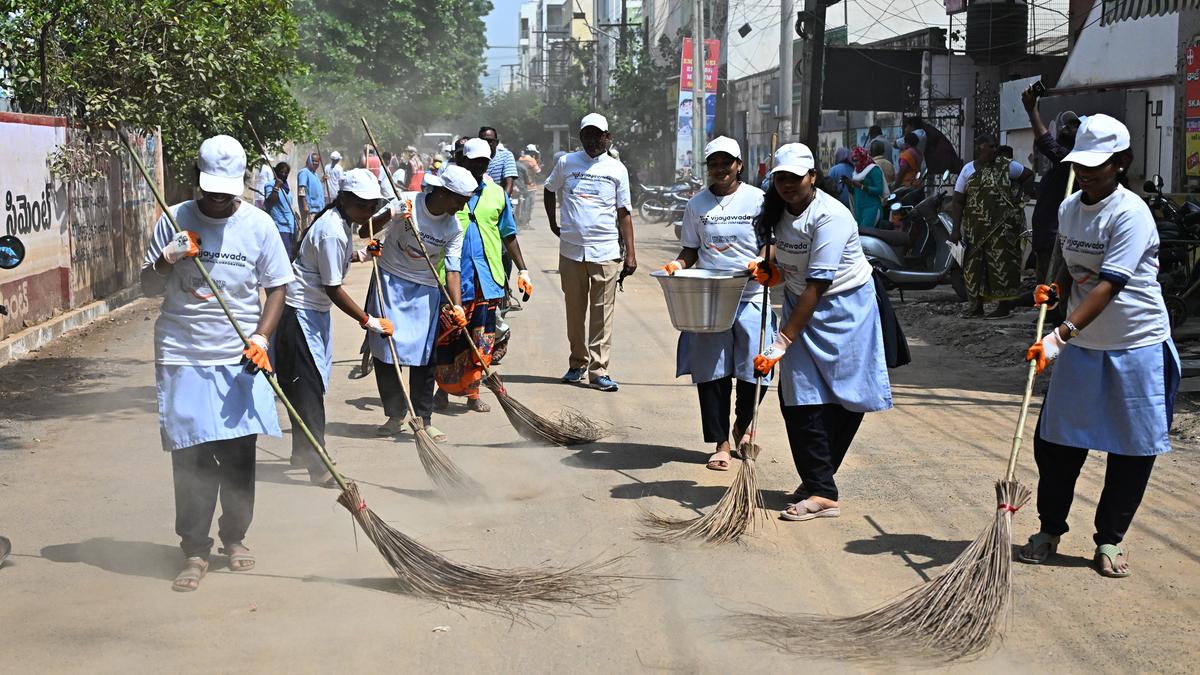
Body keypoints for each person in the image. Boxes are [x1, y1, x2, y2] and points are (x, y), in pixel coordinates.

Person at [1018, 114, 1180, 578]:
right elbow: (1071, 262)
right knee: (1055, 444)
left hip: (1135, 344)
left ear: (1122, 163)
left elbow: (1110, 284)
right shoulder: (1071, 207)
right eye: (1082, 164)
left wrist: (1058, 336)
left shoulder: (1131, 214)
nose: (1088, 172)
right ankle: (1050, 528)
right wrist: (1053, 287)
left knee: (1131, 450)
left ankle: (1110, 539)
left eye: (1099, 165)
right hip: (1083, 344)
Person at [140, 134, 294, 592]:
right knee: (191, 455)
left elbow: (278, 287)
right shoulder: (174, 220)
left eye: (226, 192)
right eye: (209, 190)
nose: (217, 200)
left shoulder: (259, 225)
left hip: (239, 354)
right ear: (197, 182)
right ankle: (193, 548)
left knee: (238, 455)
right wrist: (168, 260)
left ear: (241, 185)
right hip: (183, 352)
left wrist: (262, 337)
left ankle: (235, 537)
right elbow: (147, 287)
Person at [749, 143, 892, 522]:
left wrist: (781, 342)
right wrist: (771, 270)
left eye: (795, 178)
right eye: (780, 178)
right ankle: (820, 483)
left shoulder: (831, 216)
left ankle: (820, 484)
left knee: (846, 398)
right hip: (801, 303)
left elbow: (819, 282)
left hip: (846, 309)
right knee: (798, 397)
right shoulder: (776, 210)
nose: (787, 185)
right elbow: (784, 256)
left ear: (812, 177)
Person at [661, 137, 776, 471]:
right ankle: (721, 442)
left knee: (757, 368)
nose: (721, 169)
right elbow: (690, 249)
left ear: (739, 165)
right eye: (714, 163)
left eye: (727, 162)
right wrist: (678, 266)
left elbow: (772, 243)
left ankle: (742, 423)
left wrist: (761, 261)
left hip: (752, 294)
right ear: (707, 167)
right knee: (713, 374)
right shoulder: (697, 204)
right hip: (711, 299)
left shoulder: (759, 200)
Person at [273, 168, 395, 484]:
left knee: (304, 387)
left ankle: (303, 451)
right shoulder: (332, 230)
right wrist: (368, 321)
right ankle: (318, 463)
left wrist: (363, 254)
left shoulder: (340, 225)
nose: (368, 212)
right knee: (308, 390)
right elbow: (333, 287)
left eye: (373, 207)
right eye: (363, 206)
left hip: (312, 313)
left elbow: (332, 262)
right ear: (345, 200)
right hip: (298, 314)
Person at [367, 166, 475, 439]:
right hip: (389, 281)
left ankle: (424, 419)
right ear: (443, 192)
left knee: (423, 357)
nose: (462, 206)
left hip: (425, 289)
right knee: (386, 352)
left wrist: (457, 305)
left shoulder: (454, 227)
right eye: (460, 200)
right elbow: (365, 229)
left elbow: (452, 269)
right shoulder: (407, 202)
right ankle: (394, 415)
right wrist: (390, 214)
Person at [433, 138, 533, 412]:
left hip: (487, 278)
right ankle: (441, 391)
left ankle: (473, 392)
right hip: (452, 277)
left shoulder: (497, 193)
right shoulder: (447, 190)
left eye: (483, 163)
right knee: (448, 337)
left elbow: (508, 234)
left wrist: (522, 268)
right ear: (462, 160)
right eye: (473, 161)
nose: (478, 167)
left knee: (483, 338)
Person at [544, 113, 636, 392]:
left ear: (608, 137)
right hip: (571, 251)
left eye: (599, 135)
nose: (593, 140)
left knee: (602, 313)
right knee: (575, 311)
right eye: (588, 135)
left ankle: (599, 370)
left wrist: (630, 253)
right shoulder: (566, 163)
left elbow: (624, 213)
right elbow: (549, 189)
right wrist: (552, 223)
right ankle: (577, 363)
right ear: (580, 137)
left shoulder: (617, 169)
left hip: (606, 250)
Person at [949, 133, 1034, 318]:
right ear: (980, 147)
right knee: (974, 268)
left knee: (1002, 266)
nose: (995, 150)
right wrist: (956, 229)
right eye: (991, 146)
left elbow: (1028, 176)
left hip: (1002, 229)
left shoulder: (1007, 166)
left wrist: (1019, 198)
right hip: (975, 229)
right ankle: (976, 307)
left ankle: (1003, 307)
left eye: (996, 146)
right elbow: (957, 201)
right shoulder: (968, 170)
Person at [1023, 84, 1082, 285]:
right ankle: (1047, 312)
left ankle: (1053, 313)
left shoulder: (1073, 161)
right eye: (1069, 124)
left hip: (1057, 235)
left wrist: (1032, 111)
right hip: (1048, 234)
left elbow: (1047, 144)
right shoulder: (1062, 164)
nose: (1069, 128)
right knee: (1045, 280)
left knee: (1053, 284)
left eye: (1075, 126)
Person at [842, 147, 885, 229]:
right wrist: (848, 184)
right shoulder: (856, 172)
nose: (855, 163)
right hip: (859, 209)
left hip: (872, 208)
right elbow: (856, 192)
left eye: (857, 160)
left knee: (866, 233)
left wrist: (861, 186)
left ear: (863, 158)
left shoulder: (873, 169)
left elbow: (879, 190)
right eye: (853, 161)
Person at [263, 161, 298, 256]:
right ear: (275, 172)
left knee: (291, 255)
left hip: (290, 226)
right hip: (280, 226)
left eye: (286, 173)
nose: (283, 174)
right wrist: (276, 187)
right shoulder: (270, 185)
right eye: (281, 172)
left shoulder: (286, 188)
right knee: (283, 255)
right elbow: (270, 201)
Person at [480, 126, 518, 195]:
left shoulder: (506, 156)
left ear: (496, 142)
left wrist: (503, 202)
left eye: (490, 141)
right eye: (483, 141)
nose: (486, 144)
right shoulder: (473, 159)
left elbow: (509, 183)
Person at [295, 152, 326, 231]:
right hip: (310, 210)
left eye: (317, 161)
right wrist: (305, 206)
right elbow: (302, 190)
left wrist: (321, 181)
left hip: (318, 210)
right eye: (313, 161)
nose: (315, 163)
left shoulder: (314, 174)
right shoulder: (304, 172)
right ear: (308, 160)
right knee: (309, 231)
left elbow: (313, 187)